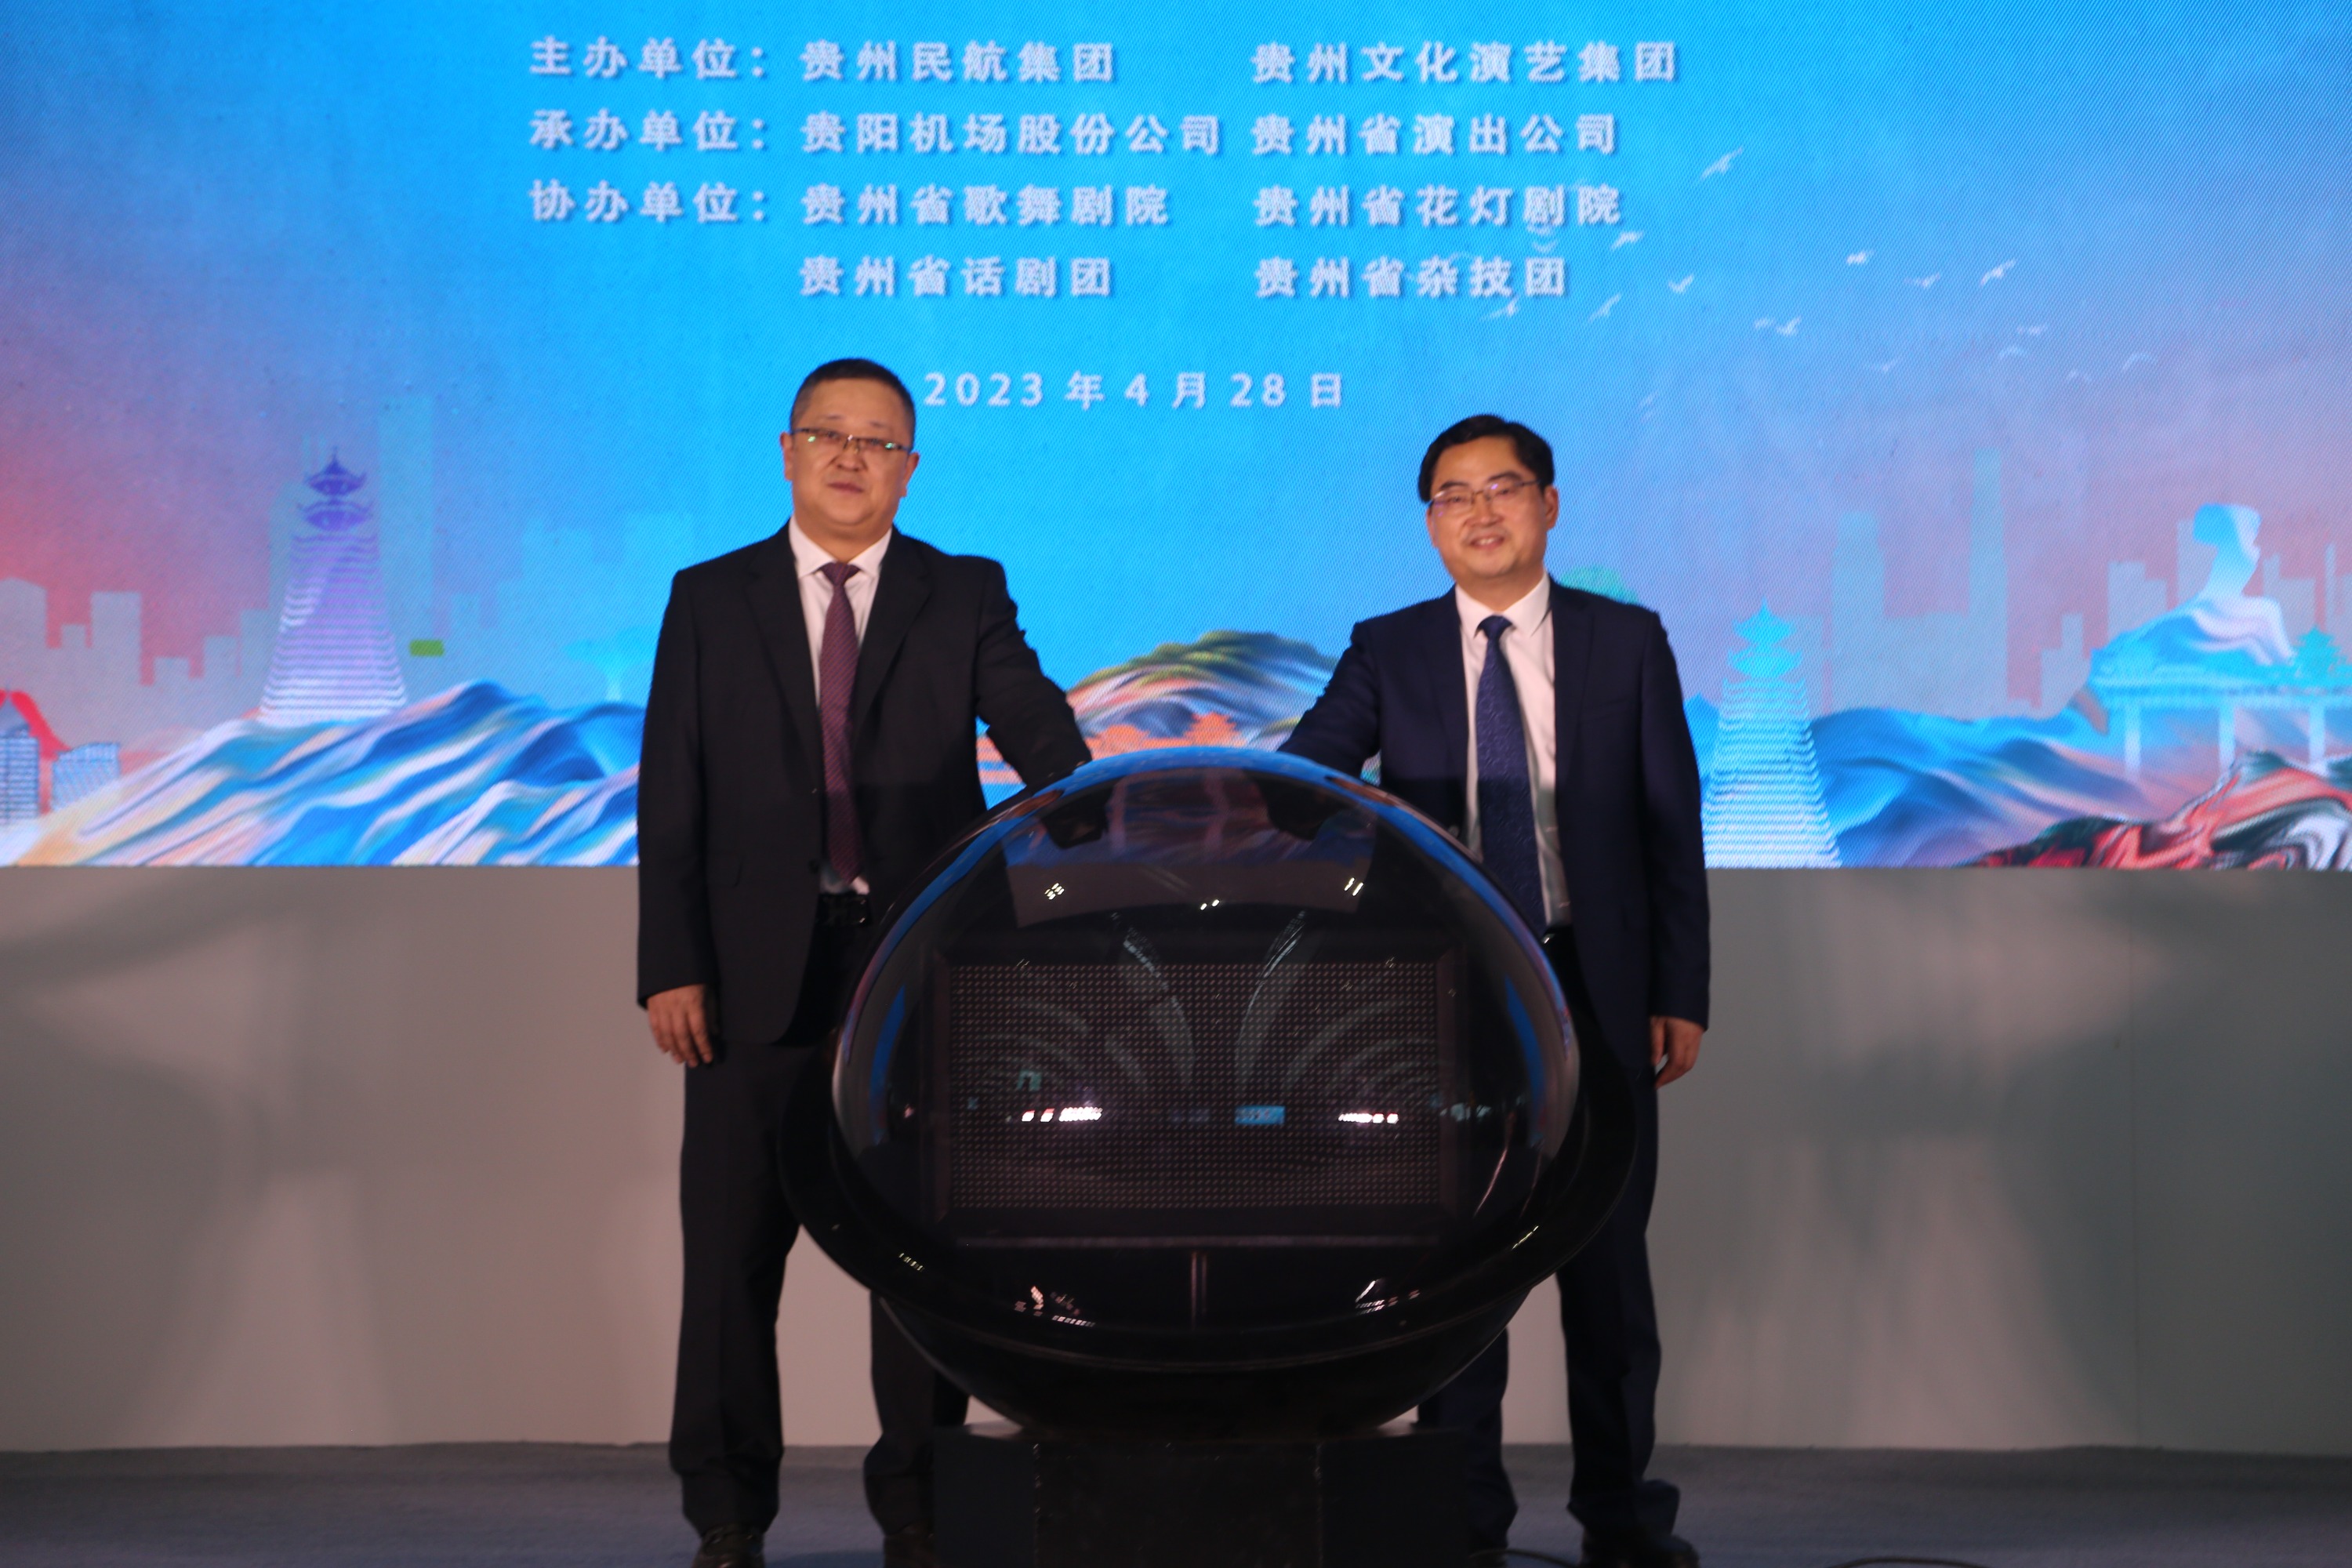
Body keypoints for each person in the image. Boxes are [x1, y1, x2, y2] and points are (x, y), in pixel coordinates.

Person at [637, 358, 1092, 1568]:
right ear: (788, 452)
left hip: (916, 973)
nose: (852, 456)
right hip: (748, 979)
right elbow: (672, 794)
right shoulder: (709, 597)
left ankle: (922, 1505)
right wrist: (671, 964)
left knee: (922, 1254)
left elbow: (1032, 719)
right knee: (730, 1260)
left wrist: (1093, 805)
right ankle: (728, 1512)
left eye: (879, 440)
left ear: (910, 468)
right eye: (829, 434)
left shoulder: (961, 589)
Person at [1281, 414, 1710, 1568]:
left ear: (1549, 505)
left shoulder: (1626, 641)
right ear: (1430, 524)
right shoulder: (1390, 648)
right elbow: (1308, 778)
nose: (1480, 512)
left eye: (1503, 488)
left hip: (1597, 983)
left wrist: (1682, 988)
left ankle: (1623, 1520)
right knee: (1458, 1268)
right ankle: (1461, 1523)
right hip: (1450, 994)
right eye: (1453, 496)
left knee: (1608, 1272)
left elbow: (1671, 827)